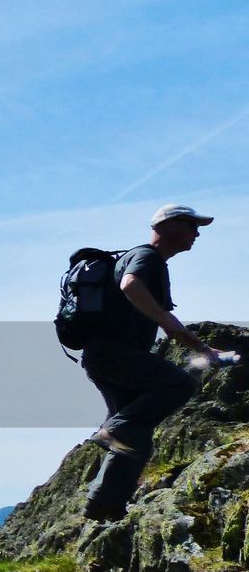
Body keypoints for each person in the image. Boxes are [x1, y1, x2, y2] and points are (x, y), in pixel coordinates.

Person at [82, 203, 222, 522]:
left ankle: (105, 505)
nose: (197, 233)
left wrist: (194, 343)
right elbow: (130, 285)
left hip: (105, 355)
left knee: (136, 437)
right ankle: (113, 428)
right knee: (179, 384)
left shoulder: (147, 260)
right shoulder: (147, 257)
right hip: (114, 353)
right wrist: (170, 324)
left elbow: (153, 312)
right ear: (169, 225)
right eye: (191, 225)